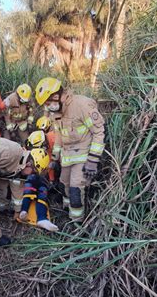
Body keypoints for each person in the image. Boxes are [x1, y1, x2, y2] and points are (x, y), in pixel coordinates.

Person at [35, 77, 105, 221]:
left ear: (56, 96)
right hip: (67, 156)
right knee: (64, 184)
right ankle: (66, 211)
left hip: (84, 154)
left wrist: (93, 160)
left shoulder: (81, 105)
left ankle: (77, 222)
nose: (48, 108)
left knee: (75, 188)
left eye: (48, 103)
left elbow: (99, 132)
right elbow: (60, 134)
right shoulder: (57, 112)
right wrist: (54, 157)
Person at [18, 149, 59, 232]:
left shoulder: (44, 158)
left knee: (42, 192)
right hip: (30, 182)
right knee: (29, 187)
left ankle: (42, 219)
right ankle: (24, 211)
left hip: (42, 183)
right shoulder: (24, 158)